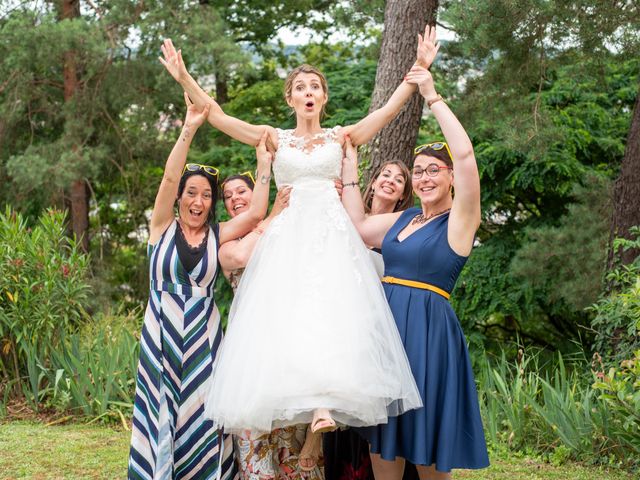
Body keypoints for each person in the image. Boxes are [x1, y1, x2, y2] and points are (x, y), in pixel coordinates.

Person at [159, 24, 438, 445]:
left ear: (323, 97)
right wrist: (183, 77)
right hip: (288, 238)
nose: (309, 92)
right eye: (301, 87)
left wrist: (416, 71)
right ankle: (297, 398)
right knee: (288, 316)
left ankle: (325, 405)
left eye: (315, 87)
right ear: (290, 98)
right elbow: (216, 115)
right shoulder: (273, 138)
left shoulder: (340, 136)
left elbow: (385, 114)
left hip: (331, 237)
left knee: (331, 313)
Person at [340, 63, 490, 479]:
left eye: (433, 170)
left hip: (428, 336)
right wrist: (350, 166)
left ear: (451, 179)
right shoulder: (404, 219)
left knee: (426, 440)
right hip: (387, 334)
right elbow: (358, 228)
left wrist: (432, 95)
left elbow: (465, 155)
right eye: (419, 170)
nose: (424, 177)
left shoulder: (459, 221)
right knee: (385, 437)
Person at [128, 93, 273, 480]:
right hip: (161, 330)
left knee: (203, 410)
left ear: (212, 205)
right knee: (160, 406)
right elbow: (170, 176)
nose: (199, 200)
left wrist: (264, 165)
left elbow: (258, 212)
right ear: (180, 198)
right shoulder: (160, 227)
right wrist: (189, 128)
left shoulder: (218, 234)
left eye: (207, 195)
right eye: (192, 193)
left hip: (204, 337)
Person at [218, 175, 323, 479]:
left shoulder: (285, 232)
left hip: (289, 344)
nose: (235, 198)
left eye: (242, 191)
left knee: (296, 437)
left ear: (257, 194)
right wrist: (273, 214)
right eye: (228, 195)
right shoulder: (227, 242)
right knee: (256, 441)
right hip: (250, 351)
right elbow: (241, 257)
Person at [323, 161, 414, 480]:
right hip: (343, 331)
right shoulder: (344, 219)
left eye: (399, 179)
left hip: (382, 333)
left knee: (378, 422)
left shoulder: (403, 231)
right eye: (385, 175)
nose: (391, 181)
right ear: (372, 183)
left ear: (404, 193)